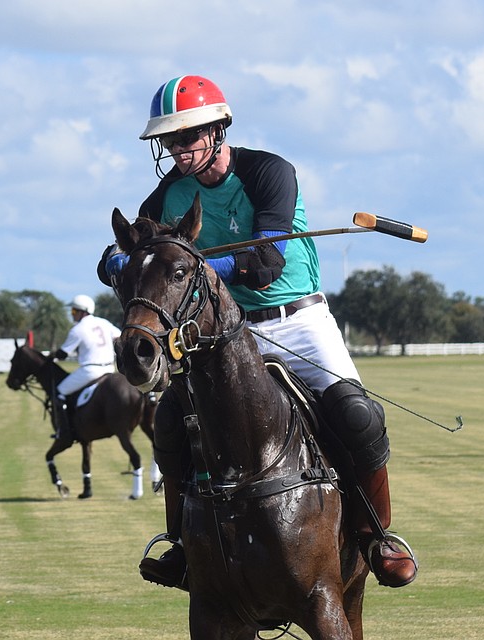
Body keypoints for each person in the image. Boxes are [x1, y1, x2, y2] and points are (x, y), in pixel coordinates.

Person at [99, 75, 417, 590]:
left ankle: (376, 535)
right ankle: (179, 545)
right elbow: (123, 253)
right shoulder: (168, 195)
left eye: (188, 137)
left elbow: (266, 262)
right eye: (170, 140)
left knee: (358, 416)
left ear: (218, 130)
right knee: (174, 424)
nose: (178, 150)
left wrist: (190, 268)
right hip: (231, 334)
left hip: (300, 319)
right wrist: (121, 259)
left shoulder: (269, 172)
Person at [49, 294, 122, 439]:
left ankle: (63, 431)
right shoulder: (104, 323)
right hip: (109, 368)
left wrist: (50, 356)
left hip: (90, 371)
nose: (72, 315)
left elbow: (63, 354)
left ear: (83, 311)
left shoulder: (78, 329)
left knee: (59, 392)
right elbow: (119, 336)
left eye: (74, 312)